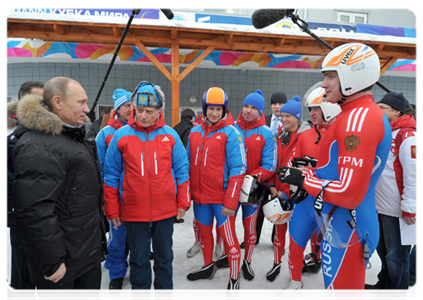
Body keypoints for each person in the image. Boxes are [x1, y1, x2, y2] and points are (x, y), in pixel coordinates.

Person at [278, 43, 392, 300]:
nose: (324, 84)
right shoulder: (351, 114)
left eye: (331, 76)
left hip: (348, 223)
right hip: (339, 220)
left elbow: (349, 193)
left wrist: (304, 178)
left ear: (354, 75)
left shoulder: (359, 117)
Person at [12, 77, 108, 300]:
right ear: (57, 102)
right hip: (62, 265)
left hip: (84, 254)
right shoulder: (40, 144)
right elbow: (35, 211)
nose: (87, 109)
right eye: (81, 102)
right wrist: (52, 262)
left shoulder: (72, 136)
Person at [103, 81, 191, 300]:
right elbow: (111, 174)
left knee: (164, 261)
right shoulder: (121, 136)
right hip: (134, 212)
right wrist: (112, 209)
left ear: (158, 112)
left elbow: (182, 171)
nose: (143, 115)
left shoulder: (170, 136)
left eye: (149, 111)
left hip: (165, 212)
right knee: (139, 261)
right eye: (139, 110)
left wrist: (183, 203)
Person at [275, 86, 341, 299]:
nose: (311, 113)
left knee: (331, 251)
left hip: (330, 203)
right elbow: (296, 166)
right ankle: (295, 282)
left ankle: (335, 288)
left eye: (315, 109)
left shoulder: (340, 133)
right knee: (295, 245)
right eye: (310, 109)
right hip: (305, 202)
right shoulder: (305, 135)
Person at [186, 87, 246, 300]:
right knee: (204, 235)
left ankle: (233, 278)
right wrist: (186, 195)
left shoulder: (231, 132)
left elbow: (238, 169)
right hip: (200, 198)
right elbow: (186, 165)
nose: (214, 113)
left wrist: (230, 201)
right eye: (211, 108)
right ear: (204, 108)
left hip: (221, 200)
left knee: (230, 240)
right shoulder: (194, 132)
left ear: (224, 109)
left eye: (218, 109)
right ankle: (207, 266)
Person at [364, 92, 420, 300]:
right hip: (381, 206)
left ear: (396, 111)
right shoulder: (387, 132)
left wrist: (409, 207)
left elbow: (415, 175)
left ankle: (395, 294)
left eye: (382, 108)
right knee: (384, 252)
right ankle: (384, 284)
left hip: (398, 210)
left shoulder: (409, 136)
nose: (378, 111)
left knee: (397, 256)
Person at [5, 80, 44, 300]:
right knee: (23, 270)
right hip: (20, 215)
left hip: (48, 214)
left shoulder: (50, 129)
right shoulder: (8, 132)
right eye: (37, 100)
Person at [266, 95, 311, 283]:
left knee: (296, 238)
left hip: (297, 196)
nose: (283, 119)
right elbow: (275, 164)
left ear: (298, 117)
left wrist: (285, 192)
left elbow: (305, 172)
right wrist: (271, 186)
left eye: (288, 116)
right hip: (279, 193)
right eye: (282, 115)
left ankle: (296, 275)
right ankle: (276, 263)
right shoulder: (281, 136)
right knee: (279, 232)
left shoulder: (306, 137)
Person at [234, 90, 277, 280]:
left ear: (260, 111)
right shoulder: (231, 128)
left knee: (250, 229)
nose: (248, 111)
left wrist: (250, 178)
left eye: (253, 108)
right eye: (246, 106)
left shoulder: (266, 133)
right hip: (231, 189)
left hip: (252, 189)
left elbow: (270, 165)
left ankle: (247, 262)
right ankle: (229, 255)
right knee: (224, 226)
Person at [95, 88, 133, 295]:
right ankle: (117, 274)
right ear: (117, 110)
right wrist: (106, 199)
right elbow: (100, 168)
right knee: (117, 239)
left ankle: (137, 269)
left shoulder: (142, 130)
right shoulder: (106, 134)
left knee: (139, 240)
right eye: (126, 105)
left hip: (139, 199)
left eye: (131, 104)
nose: (130, 109)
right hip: (117, 199)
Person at [242, 91, 287, 250]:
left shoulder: (288, 122)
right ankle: (254, 237)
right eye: (274, 103)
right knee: (258, 208)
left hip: (278, 173)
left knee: (278, 207)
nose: (277, 106)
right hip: (261, 175)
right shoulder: (265, 120)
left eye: (280, 103)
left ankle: (277, 240)